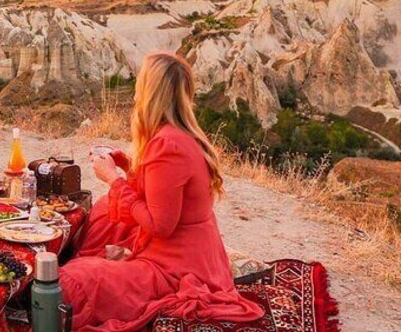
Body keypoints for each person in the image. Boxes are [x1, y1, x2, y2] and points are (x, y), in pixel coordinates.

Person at [60, 52, 264, 330]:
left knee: (72, 281)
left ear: (150, 91)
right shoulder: (182, 135)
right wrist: (128, 165)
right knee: (107, 210)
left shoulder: (167, 145)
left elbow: (160, 224)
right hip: (197, 253)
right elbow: (164, 188)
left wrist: (113, 179)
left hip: (176, 267)